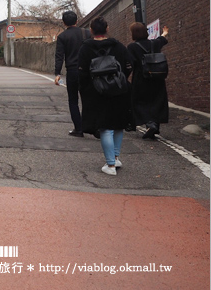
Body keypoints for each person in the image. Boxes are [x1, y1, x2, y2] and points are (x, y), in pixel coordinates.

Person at [78, 17, 133, 176]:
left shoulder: (85, 48)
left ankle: (110, 166)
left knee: (105, 127)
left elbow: (81, 72)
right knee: (117, 125)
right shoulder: (118, 46)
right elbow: (129, 65)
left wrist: (87, 89)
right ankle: (115, 158)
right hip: (118, 90)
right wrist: (119, 80)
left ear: (91, 30)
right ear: (107, 28)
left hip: (96, 92)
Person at [127, 23, 170, 139]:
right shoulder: (154, 43)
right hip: (157, 78)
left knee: (140, 103)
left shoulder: (132, 47)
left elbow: (130, 64)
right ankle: (155, 124)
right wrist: (164, 32)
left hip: (141, 79)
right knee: (156, 101)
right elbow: (162, 39)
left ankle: (150, 124)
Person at [54, 10, 91, 137]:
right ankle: (93, 126)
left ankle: (79, 129)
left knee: (73, 100)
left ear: (64, 23)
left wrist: (57, 73)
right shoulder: (87, 33)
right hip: (87, 70)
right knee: (88, 99)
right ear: (77, 21)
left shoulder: (62, 36)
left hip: (72, 71)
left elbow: (59, 56)